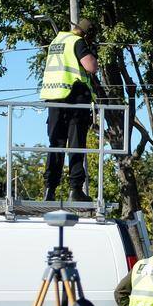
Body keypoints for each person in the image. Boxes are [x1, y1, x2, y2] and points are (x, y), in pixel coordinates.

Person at [39, 18, 99, 202]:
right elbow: (91, 67)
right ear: (87, 35)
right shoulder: (77, 42)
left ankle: (49, 191)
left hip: (54, 98)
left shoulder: (57, 41)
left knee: (55, 145)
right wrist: (92, 54)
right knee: (76, 145)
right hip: (74, 99)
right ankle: (76, 190)